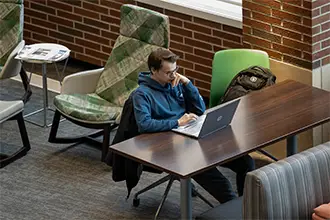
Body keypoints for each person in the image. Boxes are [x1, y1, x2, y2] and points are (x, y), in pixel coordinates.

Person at [132, 48, 254, 203]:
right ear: (153, 71)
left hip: (191, 136)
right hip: (170, 146)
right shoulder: (141, 94)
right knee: (222, 185)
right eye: (168, 72)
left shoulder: (175, 82)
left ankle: (247, 207)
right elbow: (144, 124)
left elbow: (200, 110)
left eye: (175, 70)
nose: (173, 75)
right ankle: (235, 213)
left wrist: (187, 83)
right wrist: (177, 122)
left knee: (246, 163)